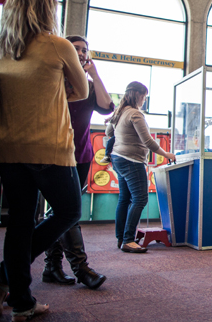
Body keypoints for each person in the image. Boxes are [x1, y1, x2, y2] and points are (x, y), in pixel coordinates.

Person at [0, 0, 88, 321]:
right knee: (69, 211)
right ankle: (4, 274)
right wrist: (59, 93)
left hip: (7, 148)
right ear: (46, 10)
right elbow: (82, 90)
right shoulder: (58, 46)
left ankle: (21, 302)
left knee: (19, 223)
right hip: (49, 146)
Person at [41, 36, 113, 290]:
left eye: (85, 50)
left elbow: (106, 106)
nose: (82, 53)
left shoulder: (89, 84)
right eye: (76, 48)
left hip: (80, 155)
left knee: (60, 211)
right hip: (53, 152)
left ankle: (51, 266)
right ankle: (80, 268)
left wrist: (94, 73)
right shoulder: (53, 76)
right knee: (67, 210)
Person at [107, 81, 176, 253]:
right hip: (132, 160)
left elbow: (109, 133)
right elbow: (148, 141)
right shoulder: (135, 114)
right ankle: (128, 240)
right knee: (140, 199)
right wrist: (167, 154)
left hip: (118, 158)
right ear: (137, 94)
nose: (144, 100)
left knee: (125, 199)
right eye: (144, 96)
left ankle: (121, 238)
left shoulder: (119, 111)